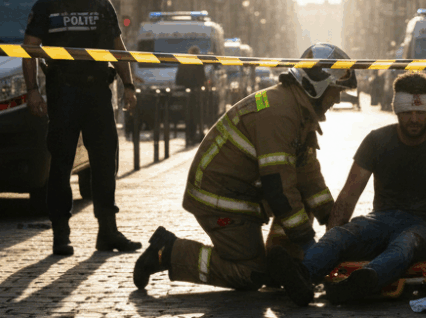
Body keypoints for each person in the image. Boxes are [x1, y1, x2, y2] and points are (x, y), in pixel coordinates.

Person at [132, 43, 354, 293]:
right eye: (336, 91)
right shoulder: (280, 114)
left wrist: (335, 225)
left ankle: (282, 261)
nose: (337, 99)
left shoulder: (296, 109)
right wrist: (307, 242)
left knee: (299, 197)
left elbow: (309, 176)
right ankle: (168, 252)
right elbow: (278, 188)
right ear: (317, 86)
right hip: (219, 198)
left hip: (240, 192)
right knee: (250, 273)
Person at [267, 72, 426, 306]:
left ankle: (363, 282)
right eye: (408, 112)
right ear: (397, 111)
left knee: (405, 243)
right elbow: (349, 195)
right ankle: (303, 278)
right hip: (380, 220)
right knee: (340, 235)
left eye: (421, 112)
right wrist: (333, 239)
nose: (415, 119)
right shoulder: (377, 140)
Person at [23, 0, 140, 256]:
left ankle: (108, 232)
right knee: (60, 165)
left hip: (98, 94)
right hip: (65, 94)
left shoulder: (102, 6)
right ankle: (60, 234)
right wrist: (32, 90)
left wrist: (128, 85)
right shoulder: (47, 5)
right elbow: (30, 49)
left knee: (105, 164)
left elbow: (118, 47)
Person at [175, 45, 207, 138]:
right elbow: (202, 78)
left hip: (186, 92)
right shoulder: (198, 63)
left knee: (188, 113)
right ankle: (195, 133)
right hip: (196, 92)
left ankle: (190, 134)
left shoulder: (184, 62)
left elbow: (178, 79)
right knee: (197, 113)